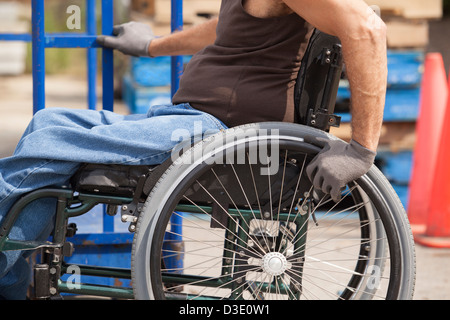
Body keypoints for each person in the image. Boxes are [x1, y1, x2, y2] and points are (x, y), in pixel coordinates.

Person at [0, 0, 387, 299]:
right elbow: (225, 30)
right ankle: (10, 279)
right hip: (190, 120)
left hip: (216, 134)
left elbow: (368, 28)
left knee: (51, 143)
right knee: (47, 123)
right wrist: (152, 46)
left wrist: (361, 151)